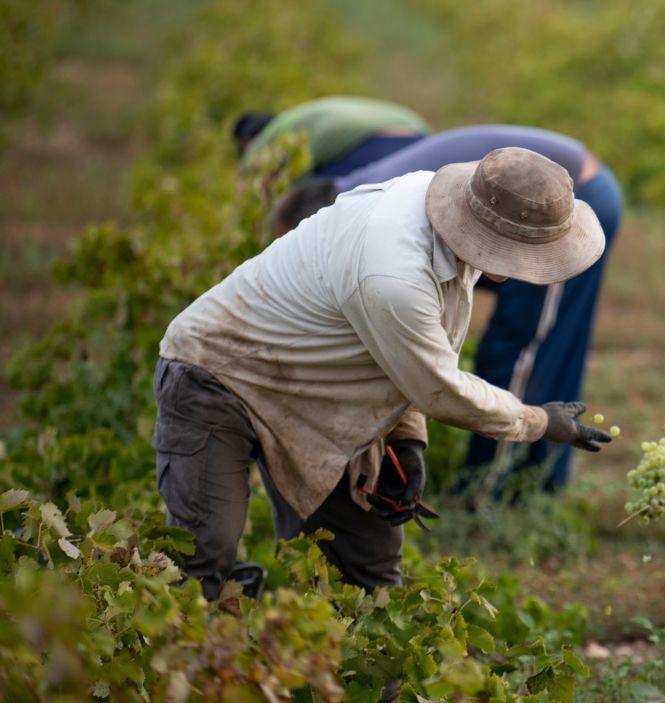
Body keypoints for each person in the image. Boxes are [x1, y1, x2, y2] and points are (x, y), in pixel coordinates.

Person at [152, 147, 613, 599]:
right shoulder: (395, 276)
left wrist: (406, 442)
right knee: (203, 559)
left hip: (323, 391)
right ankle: (205, 657)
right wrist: (536, 421)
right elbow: (439, 388)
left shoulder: (449, 218)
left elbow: (417, 359)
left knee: (366, 570)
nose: (521, 274)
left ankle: (330, 668)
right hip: (218, 372)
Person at [272, 125, 623, 496]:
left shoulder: (374, 228)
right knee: (532, 347)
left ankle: (491, 494)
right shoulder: (358, 200)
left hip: (563, 203)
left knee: (522, 351)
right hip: (536, 199)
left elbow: (432, 376)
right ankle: (530, 481)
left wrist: (537, 421)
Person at [232, 95, 430, 177]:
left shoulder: (267, 139)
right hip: (420, 138)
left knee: (315, 198)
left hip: (375, 145)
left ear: (247, 143)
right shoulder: (301, 116)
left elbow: (250, 177)